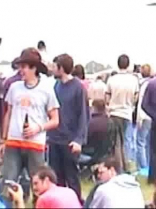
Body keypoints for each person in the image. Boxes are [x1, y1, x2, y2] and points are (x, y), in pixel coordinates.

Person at [0, 48, 60, 196]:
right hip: (14, 143)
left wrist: (38, 128)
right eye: (20, 66)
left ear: (34, 68)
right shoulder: (14, 88)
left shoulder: (46, 90)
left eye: (24, 67)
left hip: (35, 144)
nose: (21, 70)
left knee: (39, 185)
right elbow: (8, 113)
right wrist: (3, 140)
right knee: (7, 182)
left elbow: (55, 120)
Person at [47, 54, 88, 202]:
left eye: (54, 66)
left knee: (72, 178)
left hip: (70, 141)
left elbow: (84, 116)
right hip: (54, 139)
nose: (52, 69)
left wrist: (79, 140)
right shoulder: (56, 86)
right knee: (56, 178)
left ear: (61, 68)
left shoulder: (78, 87)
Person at [105, 54, 140, 172]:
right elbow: (136, 96)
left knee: (116, 143)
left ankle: (118, 168)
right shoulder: (134, 80)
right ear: (128, 64)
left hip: (114, 112)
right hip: (127, 113)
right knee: (127, 142)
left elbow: (107, 97)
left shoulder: (112, 79)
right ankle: (126, 166)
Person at [135, 64, 153, 170]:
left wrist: (139, 118)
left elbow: (141, 102)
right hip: (152, 116)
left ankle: (143, 166)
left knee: (140, 142)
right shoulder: (152, 84)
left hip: (144, 115)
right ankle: (148, 164)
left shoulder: (143, 85)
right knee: (148, 142)